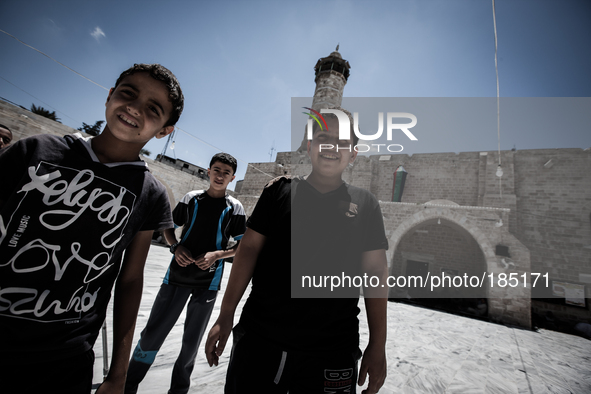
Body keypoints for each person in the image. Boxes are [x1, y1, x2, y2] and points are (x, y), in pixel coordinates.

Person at [0, 63, 183, 393]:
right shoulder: (37, 150)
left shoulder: (151, 194)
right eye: (128, 94)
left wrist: (118, 373)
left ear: (164, 130)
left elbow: (129, 280)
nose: (134, 108)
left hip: (66, 358)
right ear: (110, 96)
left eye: (153, 109)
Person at [205, 107, 389, 394]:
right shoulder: (278, 192)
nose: (331, 147)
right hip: (261, 341)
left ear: (353, 153)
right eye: (323, 138)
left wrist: (378, 344)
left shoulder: (366, 205)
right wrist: (226, 314)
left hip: (332, 352)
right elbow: (249, 251)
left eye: (342, 142)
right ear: (310, 146)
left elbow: (375, 273)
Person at [125, 152, 246, 394]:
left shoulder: (235, 208)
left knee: (191, 343)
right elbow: (169, 225)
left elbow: (242, 245)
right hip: (176, 277)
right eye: (217, 170)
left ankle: (179, 389)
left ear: (232, 178)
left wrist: (217, 255)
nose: (220, 175)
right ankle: (128, 384)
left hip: (208, 282)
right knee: (152, 334)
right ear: (208, 171)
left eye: (226, 172)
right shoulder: (192, 198)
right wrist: (175, 246)